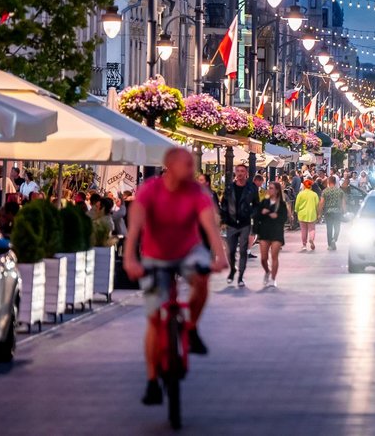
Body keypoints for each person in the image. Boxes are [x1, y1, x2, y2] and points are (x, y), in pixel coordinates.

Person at [123, 147, 229, 406]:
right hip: (154, 255)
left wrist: (220, 256)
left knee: (202, 277)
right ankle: (151, 381)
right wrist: (130, 259)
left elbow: (209, 225)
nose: (193, 171)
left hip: (188, 251)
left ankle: (191, 327)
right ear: (170, 166)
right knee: (154, 319)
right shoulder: (150, 190)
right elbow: (135, 225)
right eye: (188, 165)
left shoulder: (197, 192)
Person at [221, 164, 258, 287]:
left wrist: (251, 214)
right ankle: (232, 269)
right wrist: (224, 219)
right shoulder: (230, 187)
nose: (240, 173)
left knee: (243, 250)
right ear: (235, 173)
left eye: (242, 171)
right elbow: (224, 204)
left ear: (246, 173)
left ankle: (241, 277)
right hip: (231, 223)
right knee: (230, 251)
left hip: (244, 223)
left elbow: (256, 204)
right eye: (238, 171)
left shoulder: (251, 188)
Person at [255, 181, 288, 288]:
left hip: (276, 232)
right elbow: (257, 215)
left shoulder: (282, 204)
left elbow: (284, 218)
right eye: (269, 188)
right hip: (264, 231)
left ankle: (273, 279)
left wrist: (276, 216)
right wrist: (262, 213)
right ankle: (267, 271)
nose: (270, 190)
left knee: (274, 256)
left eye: (272, 188)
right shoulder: (264, 202)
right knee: (263, 258)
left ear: (277, 190)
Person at [318, 175, 346, 251]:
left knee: (329, 228)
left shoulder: (325, 191)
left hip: (328, 212)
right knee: (337, 227)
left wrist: (319, 213)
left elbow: (321, 203)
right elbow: (343, 203)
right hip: (337, 212)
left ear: (328, 182)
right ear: (335, 182)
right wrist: (344, 211)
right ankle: (334, 239)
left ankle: (330, 245)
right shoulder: (340, 191)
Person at [294, 179, 319, 251]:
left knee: (303, 230)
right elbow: (317, 205)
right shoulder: (314, 195)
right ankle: (311, 239)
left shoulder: (300, 194)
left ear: (304, 186)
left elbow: (297, 204)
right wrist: (318, 214)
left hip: (302, 214)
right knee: (312, 229)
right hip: (312, 214)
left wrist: (296, 210)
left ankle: (304, 245)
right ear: (311, 186)